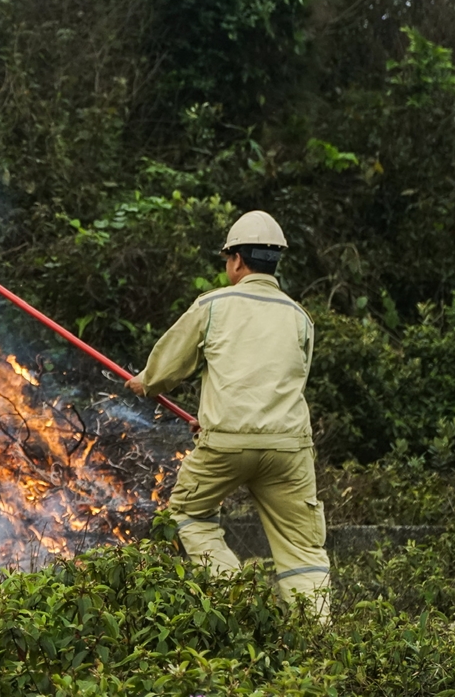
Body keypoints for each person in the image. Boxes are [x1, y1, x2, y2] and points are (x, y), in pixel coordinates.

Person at [125, 211, 331, 616]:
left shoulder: (213, 305)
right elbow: (287, 383)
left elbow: (166, 370)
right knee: (303, 549)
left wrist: (144, 382)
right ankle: (316, 636)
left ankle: (238, 599)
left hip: (226, 447)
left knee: (188, 512)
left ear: (236, 260)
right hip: (289, 450)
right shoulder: (300, 318)